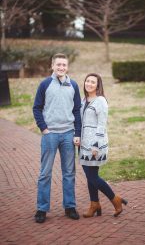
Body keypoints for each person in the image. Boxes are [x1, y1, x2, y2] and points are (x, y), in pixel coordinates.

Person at [33, 53, 81, 223]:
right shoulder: (45, 84)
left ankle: (70, 206)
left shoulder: (73, 85)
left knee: (69, 173)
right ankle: (42, 209)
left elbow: (77, 111)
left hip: (68, 134)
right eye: (58, 64)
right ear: (52, 66)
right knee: (45, 173)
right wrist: (44, 128)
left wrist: (77, 133)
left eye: (64, 65)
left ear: (67, 67)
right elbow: (37, 108)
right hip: (50, 135)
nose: (61, 67)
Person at [77, 73, 127, 218]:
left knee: (92, 177)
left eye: (93, 82)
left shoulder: (101, 101)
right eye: (87, 81)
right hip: (84, 144)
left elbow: (101, 125)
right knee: (90, 176)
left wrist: (96, 146)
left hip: (94, 145)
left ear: (98, 85)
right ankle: (94, 204)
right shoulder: (83, 100)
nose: (89, 84)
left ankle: (115, 199)